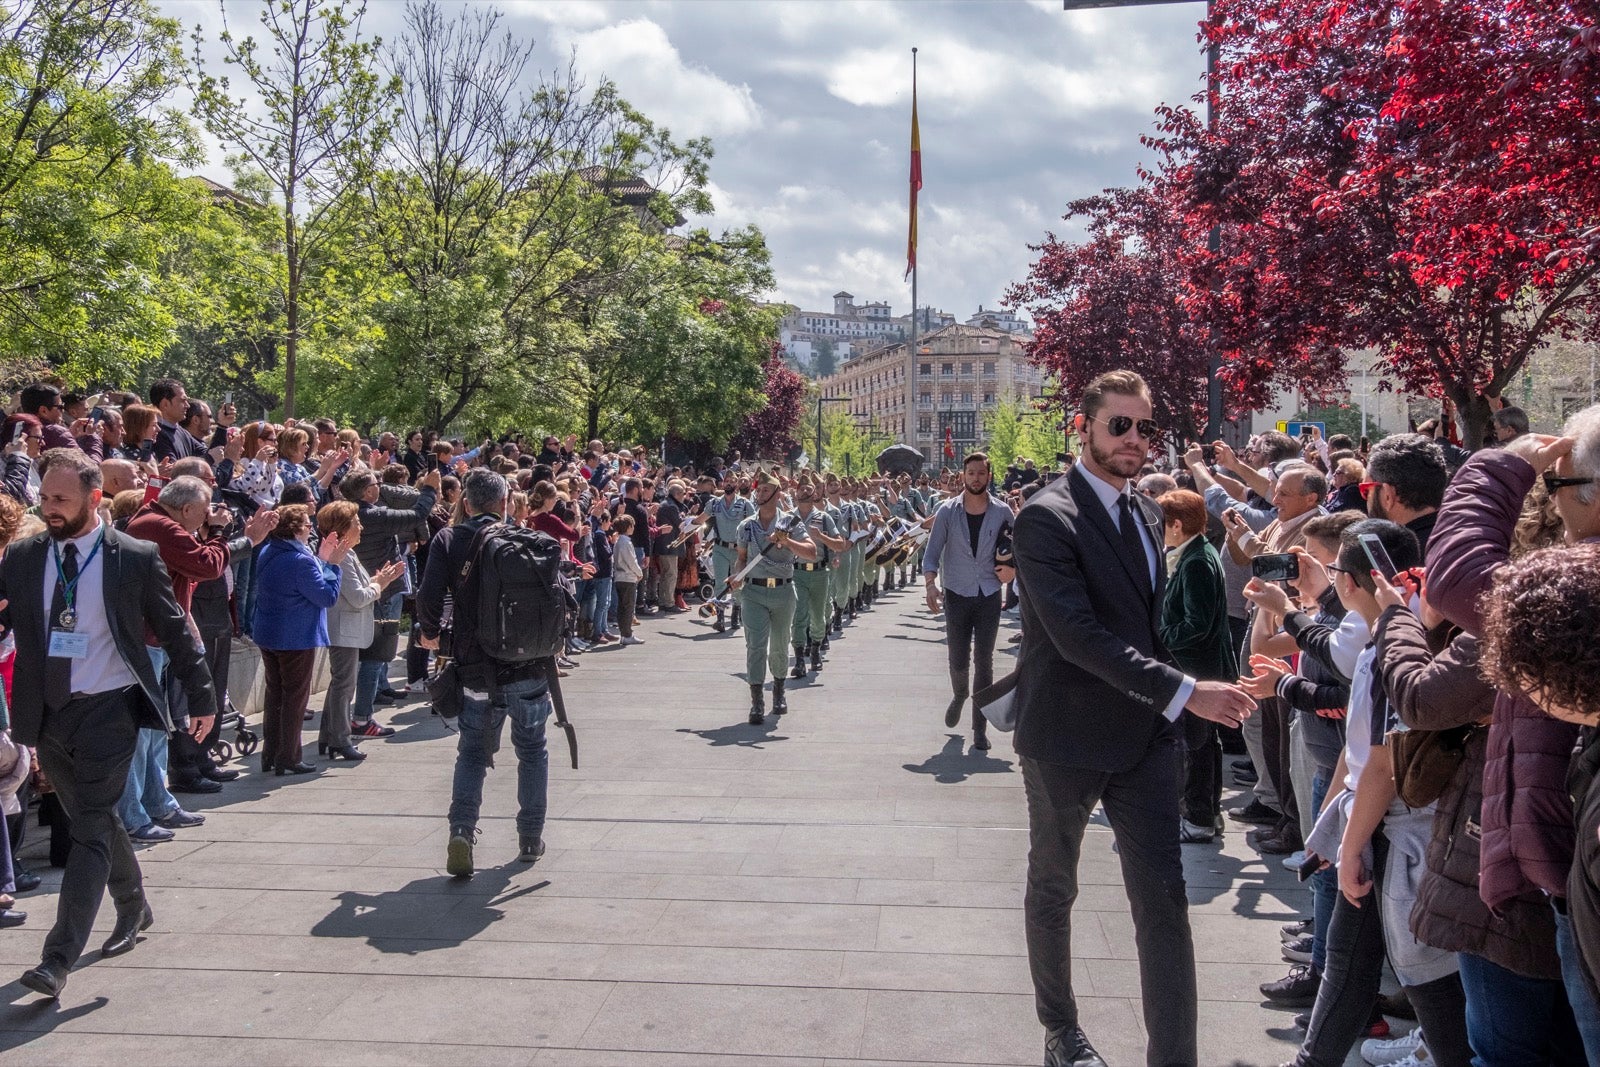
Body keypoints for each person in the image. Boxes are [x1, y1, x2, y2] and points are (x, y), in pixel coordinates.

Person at [1010, 370, 1254, 1067]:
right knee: (1054, 884)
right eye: (1120, 425)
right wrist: (1187, 691)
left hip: (1146, 738)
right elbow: (1077, 635)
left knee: (1164, 906)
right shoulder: (1044, 517)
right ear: (1083, 427)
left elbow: (1150, 631)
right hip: (1064, 735)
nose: (1135, 440)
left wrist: (1209, 686)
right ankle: (1061, 1030)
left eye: (1145, 427)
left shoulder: (1148, 515)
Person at [3, 449, 217, 999]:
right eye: (45, 498)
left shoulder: (134, 556)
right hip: (47, 712)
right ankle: (133, 903)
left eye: (61, 500)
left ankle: (57, 960)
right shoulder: (23, 557)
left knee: (90, 826)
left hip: (110, 710)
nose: (48, 508)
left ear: (93, 498)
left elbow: (176, 631)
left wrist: (202, 698)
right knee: (90, 818)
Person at [417, 469, 556, 875]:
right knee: (532, 750)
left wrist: (429, 634)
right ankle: (531, 836)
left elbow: (429, 597)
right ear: (505, 503)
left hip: (476, 668)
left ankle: (462, 829)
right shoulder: (531, 543)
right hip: (530, 666)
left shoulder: (450, 538)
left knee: (473, 752)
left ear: (467, 502)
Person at [1156, 489, 1238, 844]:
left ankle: (1200, 816)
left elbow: (1196, 623)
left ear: (1177, 525)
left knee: (1196, 747)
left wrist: (1159, 636)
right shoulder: (1192, 555)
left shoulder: (1198, 561)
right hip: (1199, 667)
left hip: (1198, 669)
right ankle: (1205, 813)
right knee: (1203, 745)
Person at [922, 452, 1013, 752]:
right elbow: (933, 551)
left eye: (981, 473)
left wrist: (1012, 569)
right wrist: (931, 585)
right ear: (963, 476)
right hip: (957, 593)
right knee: (958, 656)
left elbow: (1016, 549)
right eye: (971, 473)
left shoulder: (1002, 512)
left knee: (984, 661)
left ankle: (979, 728)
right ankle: (960, 694)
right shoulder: (948, 511)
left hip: (988, 594)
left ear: (989, 476)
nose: (976, 478)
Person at [252, 505, 347, 776]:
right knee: (294, 699)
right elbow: (326, 597)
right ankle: (289, 757)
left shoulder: (269, 551)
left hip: (269, 633)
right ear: (294, 529)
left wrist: (323, 560)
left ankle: (271, 753)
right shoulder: (300, 560)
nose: (310, 529)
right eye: (307, 525)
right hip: (295, 637)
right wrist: (333, 566)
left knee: (276, 695)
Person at [319, 501, 406, 763]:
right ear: (344, 527)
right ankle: (340, 739)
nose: (361, 527)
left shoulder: (348, 554)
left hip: (348, 629)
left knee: (341, 685)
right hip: (343, 630)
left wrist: (380, 580)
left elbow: (359, 587)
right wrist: (379, 586)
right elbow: (357, 597)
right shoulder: (342, 556)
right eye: (356, 523)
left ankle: (329, 736)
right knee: (344, 686)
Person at [730, 470, 815, 724]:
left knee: (779, 646)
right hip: (753, 592)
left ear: (777, 494)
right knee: (755, 645)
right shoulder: (746, 526)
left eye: (766, 490)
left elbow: (811, 552)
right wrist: (737, 576)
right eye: (759, 490)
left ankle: (779, 692)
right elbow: (741, 560)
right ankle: (757, 700)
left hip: (783, 591)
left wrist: (787, 542)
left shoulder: (791, 523)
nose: (760, 494)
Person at [789, 474, 848, 678]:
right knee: (798, 615)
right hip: (796, 573)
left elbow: (840, 544)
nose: (805, 492)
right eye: (801, 489)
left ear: (815, 493)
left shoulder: (823, 517)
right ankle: (798, 659)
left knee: (818, 615)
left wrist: (821, 536)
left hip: (820, 573)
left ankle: (814, 651)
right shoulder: (789, 517)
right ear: (795, 493)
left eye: (809, 489)